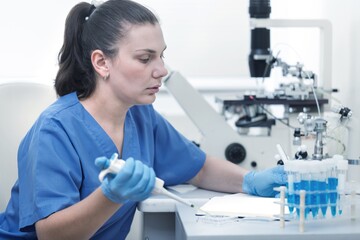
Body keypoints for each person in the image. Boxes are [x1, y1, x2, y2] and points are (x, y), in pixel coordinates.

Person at [0, 0, 287, 239]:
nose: (161, 70)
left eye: (161, 56)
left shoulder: (139, 115)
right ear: (101, 62)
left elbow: (198, 168)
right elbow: (51, 234)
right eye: (144, 58)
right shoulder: (56, 129)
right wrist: (111, 195)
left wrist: (250, 181)